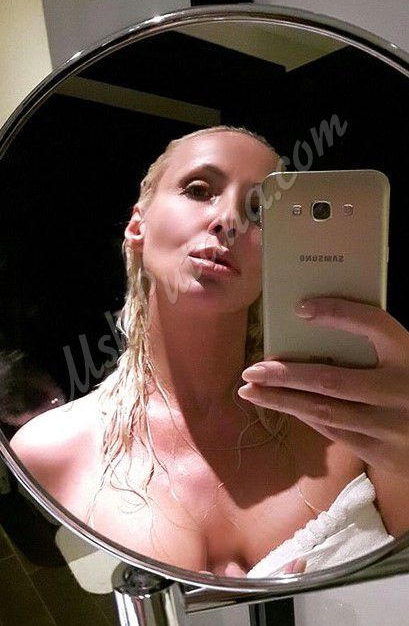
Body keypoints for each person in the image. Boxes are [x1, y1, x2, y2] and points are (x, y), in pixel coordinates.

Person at [9, 126, 409, 578]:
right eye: (199, 190)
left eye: (259, 210)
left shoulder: (353, 423)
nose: (229, 220)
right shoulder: (49, 454)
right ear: (138, 225)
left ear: (280, 253)